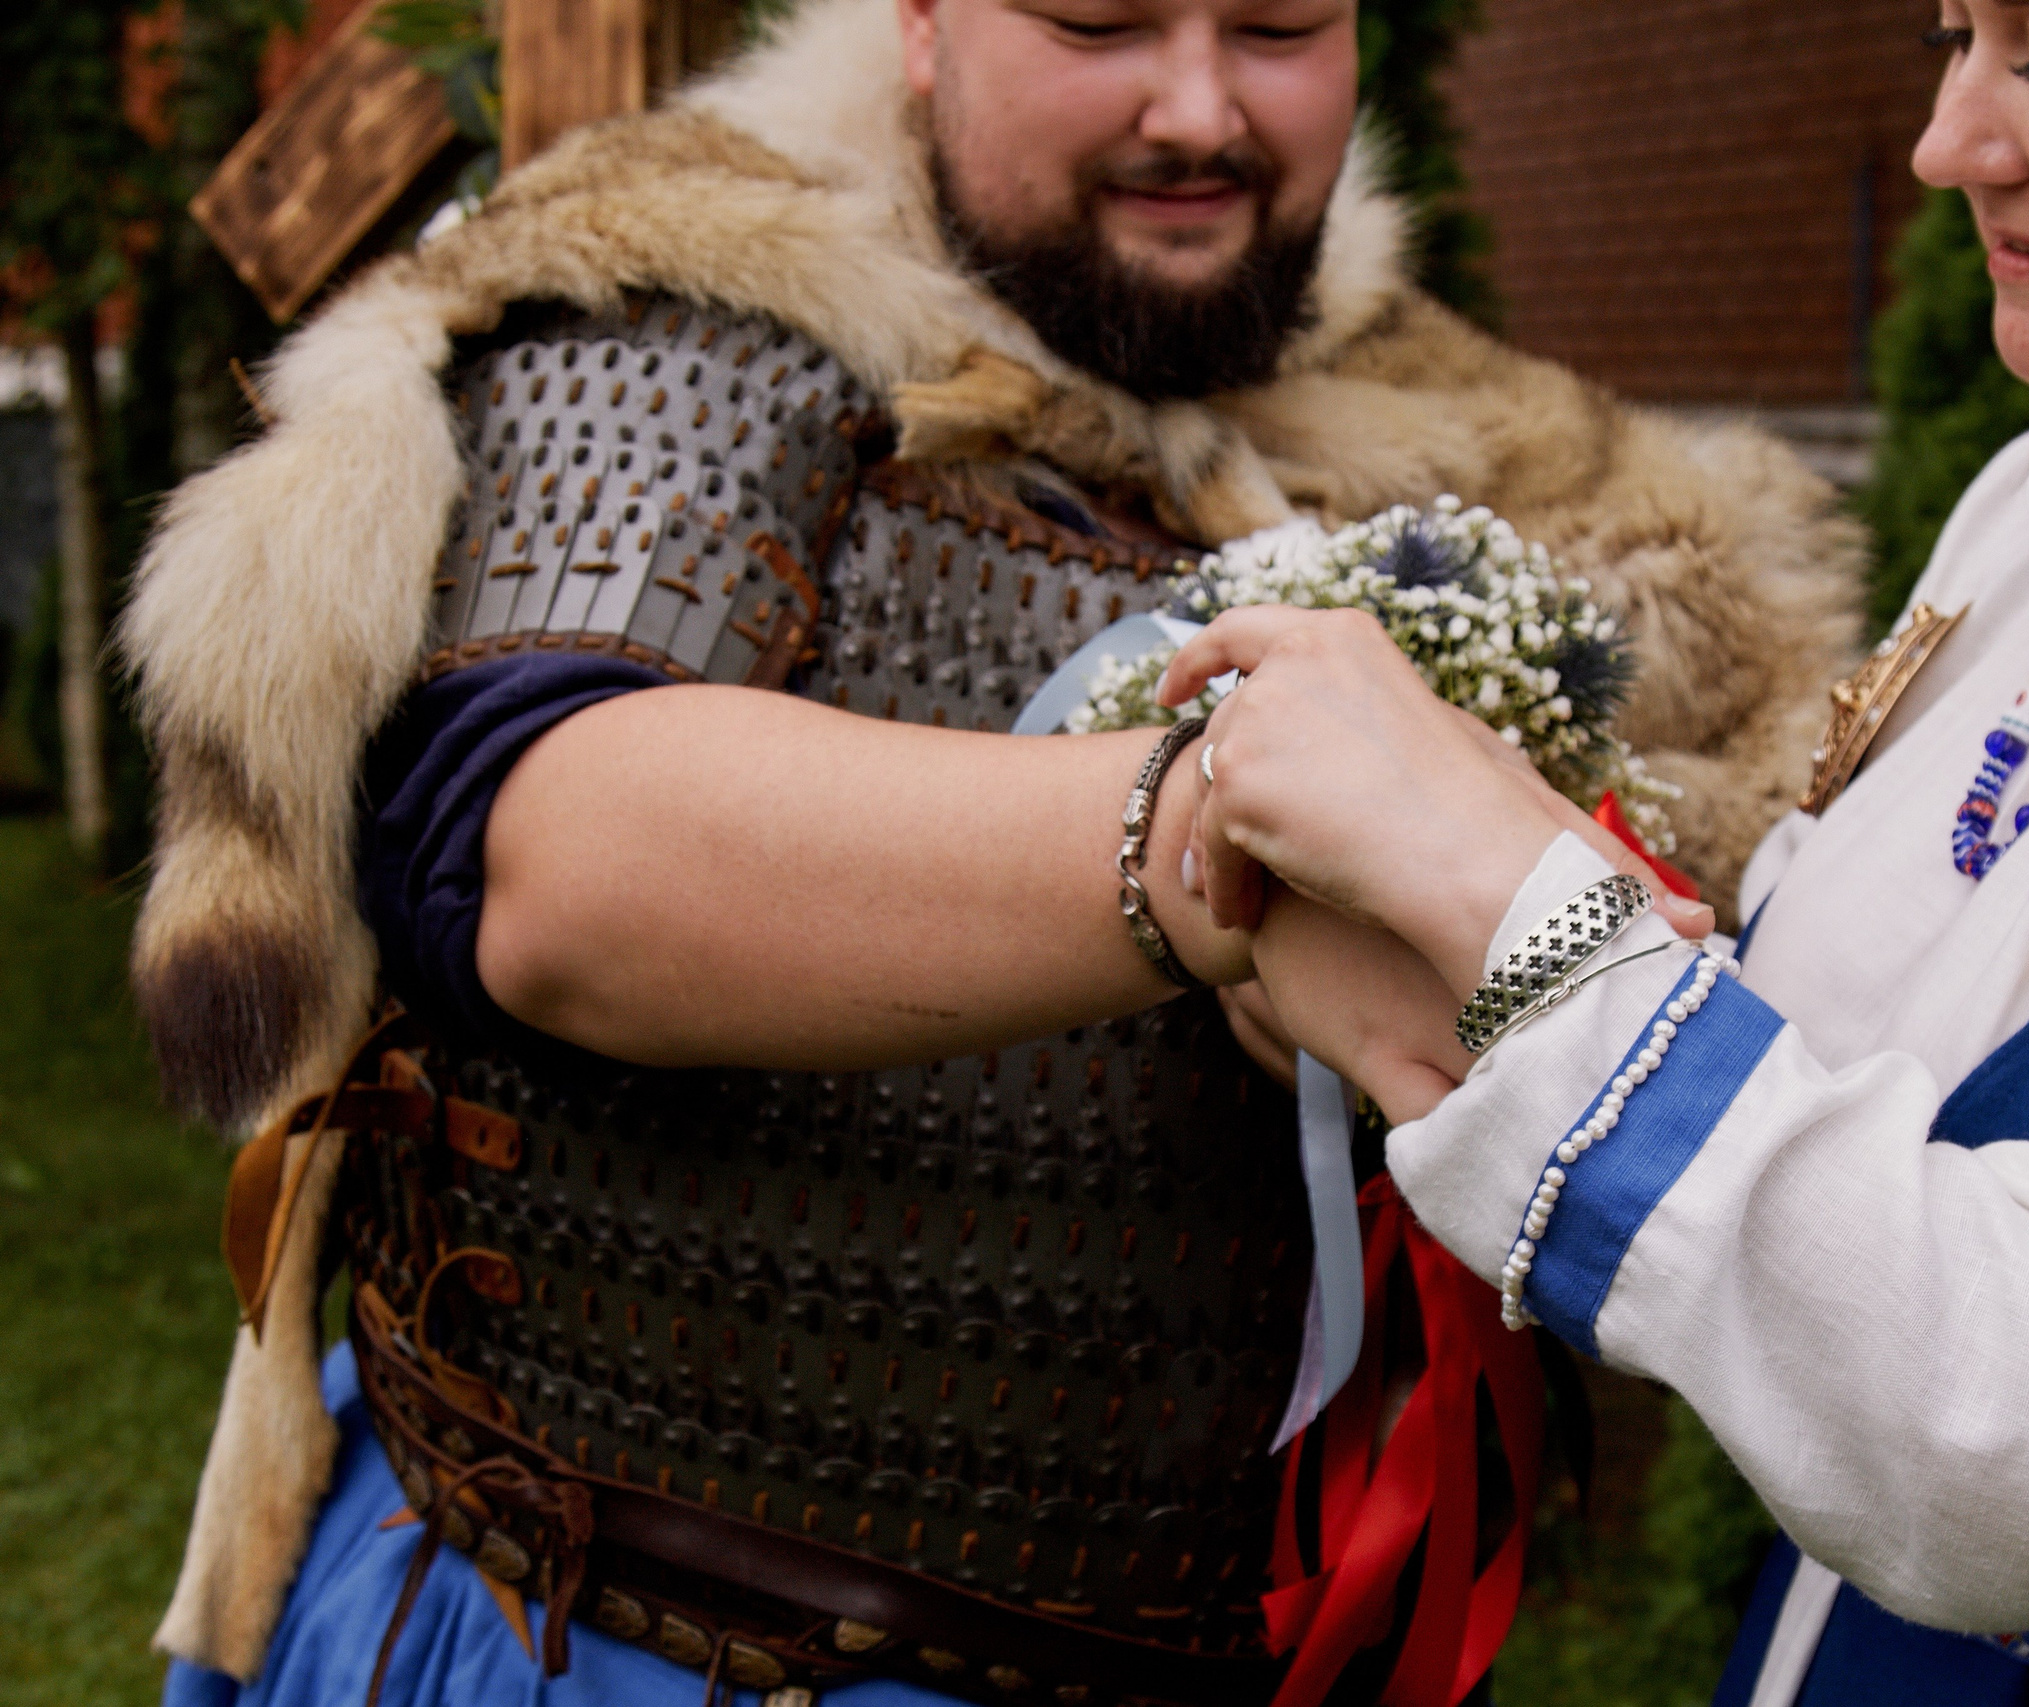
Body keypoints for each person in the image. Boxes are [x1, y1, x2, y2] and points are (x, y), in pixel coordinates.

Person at [126, 1, 1858, 1704]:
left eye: (1278, 29)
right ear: (925, 22)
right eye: (1100, 23)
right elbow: (548, 868)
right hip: (637, 1646)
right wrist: (1224, 856)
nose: (1203, 111)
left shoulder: (1479, 438)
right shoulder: (685, 302)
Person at [1169, 0, 2029, 1701]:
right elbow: (1814, 1156)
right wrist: (1428, 965)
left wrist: (1501, 893)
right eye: (1953, 35)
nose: (1947, 145)